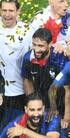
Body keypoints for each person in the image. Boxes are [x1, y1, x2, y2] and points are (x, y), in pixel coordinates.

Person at [0, 0, 36, 129]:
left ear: (18, 11)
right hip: (2, 90)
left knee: (16, 130)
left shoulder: (27, 31)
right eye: (4, 10)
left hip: (20, 91)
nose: (7, 14)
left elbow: (38, 52)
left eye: (11, 11)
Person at [21, 28, 65, 110]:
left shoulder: (60, 57)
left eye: (41, 46)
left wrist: (55, 107)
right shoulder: (28, 57)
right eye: (34, 44)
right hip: (40, 102)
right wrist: (33, 104)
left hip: (59, 103)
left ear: (50, 44)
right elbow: (27, 80)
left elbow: (66, 87)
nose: (36, 49)